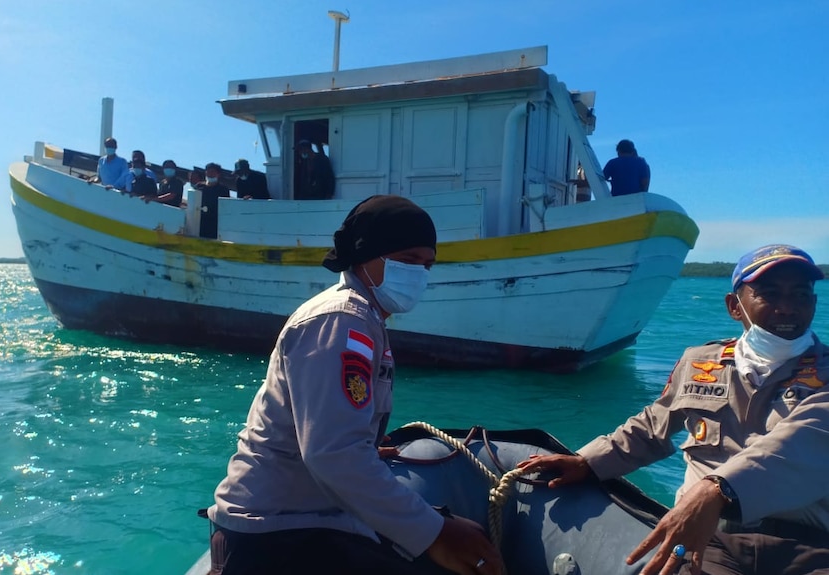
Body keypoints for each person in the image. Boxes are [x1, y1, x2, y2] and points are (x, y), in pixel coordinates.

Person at [206, 195, 504, 575]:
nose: (420, 274)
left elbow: (331, 434)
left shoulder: (363, 317)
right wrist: (436, 533)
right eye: (409, 260)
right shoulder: (341, 321)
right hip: (275, 533)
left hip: (302, 518)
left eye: (427, 265)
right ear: (368, 256)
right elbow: (333, 454)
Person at [517, 244, 828, 575]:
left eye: (801, 295)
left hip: (811, 545)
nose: (788, 308)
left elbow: (802, 441)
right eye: (769, 294)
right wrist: (588, 462)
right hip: (708, 537)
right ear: (735, 307)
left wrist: (717, 489)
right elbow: (653, 427)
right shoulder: (701, 362)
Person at [199, 162, 231, 239]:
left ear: (218, 174)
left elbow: (226, 207)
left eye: (213, 172)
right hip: (200, 221)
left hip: (215, 223)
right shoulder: (199, 186)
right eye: (208, 172)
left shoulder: (223, 189)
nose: (210, 174)